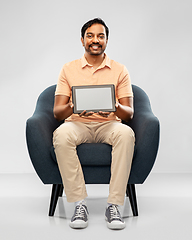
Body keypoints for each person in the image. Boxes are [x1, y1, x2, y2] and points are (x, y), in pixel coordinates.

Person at [53, 18, 135, 230]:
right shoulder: (68, 69)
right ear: (82, 40)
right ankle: (80, 204)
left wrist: (113, 106)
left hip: (109, 124)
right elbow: (57, 112)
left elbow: (129, 113)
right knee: (61, 134)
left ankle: (114, 206)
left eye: (100, 36)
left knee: (125, 134)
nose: (95, 40)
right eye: (90, 36)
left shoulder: (120, 70)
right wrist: (76, 106)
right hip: (78, 123)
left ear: (106, 40)